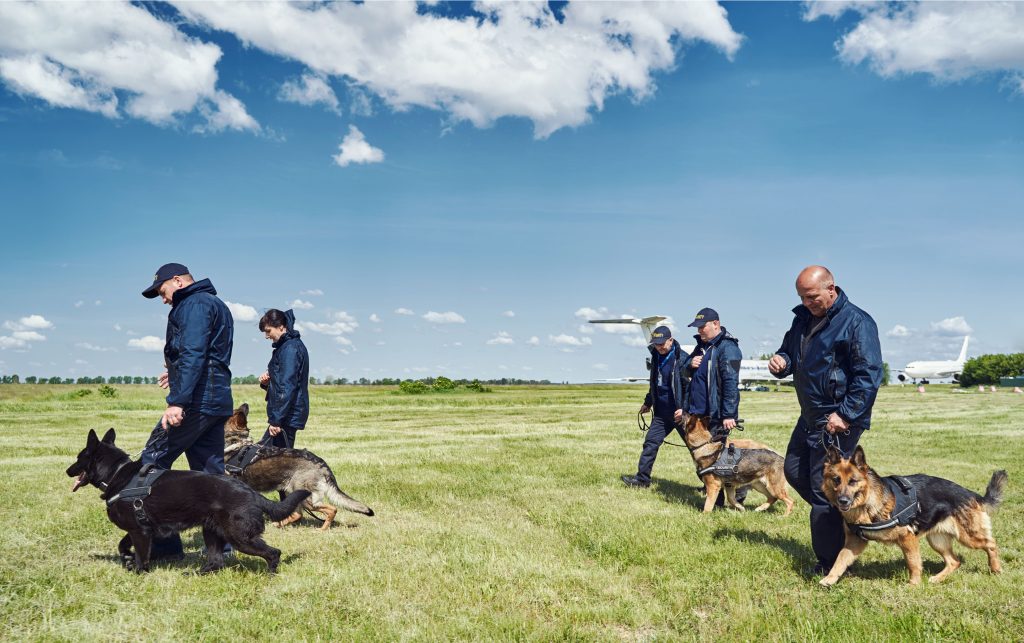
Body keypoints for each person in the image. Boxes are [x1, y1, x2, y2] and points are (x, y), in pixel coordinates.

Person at [768, 265, 882, 576]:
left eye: (813, 297)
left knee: (822, 492)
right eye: (802, 298)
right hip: (810, 414)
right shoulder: (802, 319)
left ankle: (831, 562)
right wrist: (782, 362)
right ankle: (844, 512)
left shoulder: (857, 322)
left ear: (831, 288)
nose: (808, 303)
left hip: (838, 418)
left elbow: (868, 375)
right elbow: (790, 352)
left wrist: (846, 413)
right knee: (793, 470)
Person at [138, 263, 234, 559]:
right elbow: (206, 355)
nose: (163, 299)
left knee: (150, 465)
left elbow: (193, 352)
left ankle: (164, 548)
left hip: (196, 402)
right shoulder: (214, 304)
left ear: (177, 281)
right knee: (211, 477)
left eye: (162, 291)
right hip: (216, 400)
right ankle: (221, 550)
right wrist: (174, 372)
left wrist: (178, 399)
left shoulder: (193, 304)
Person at [679, 307, 746, 506]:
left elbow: (730, 383)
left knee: (720, 459)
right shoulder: (702, 347)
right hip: (699, 414)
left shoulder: (728, 348)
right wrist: (690, 363)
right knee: (703, 459)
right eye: (697, 327)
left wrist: (728, 414)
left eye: (702, 327)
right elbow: (683, 370)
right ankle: (715, 496)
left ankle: (734, 496)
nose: (700, 331)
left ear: (716, 324)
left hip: (716, 415)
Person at [621, 325, 687, 488]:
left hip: (681, 414)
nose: (659, 347)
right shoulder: (656, 356)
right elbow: (655, 384)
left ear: (670, 340)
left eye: (662, 343)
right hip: (661, 414)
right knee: (650, 443)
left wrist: (685, 409)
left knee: (696, 449)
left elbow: (691, 388)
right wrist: (648, 402)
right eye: (656, 344)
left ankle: (709, 484)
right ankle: (642, 480)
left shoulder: (683, 359)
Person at [258, 309, 309, 449]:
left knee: (271, 461)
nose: (266, 336)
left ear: (281, 326)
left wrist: (276, 420)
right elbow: (281, 382)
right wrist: (267, 382)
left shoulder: (290, 349)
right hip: (285, 415)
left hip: (286, 416)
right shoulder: (286, 347)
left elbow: (287, 386)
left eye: (268, 331)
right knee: (272, 460)